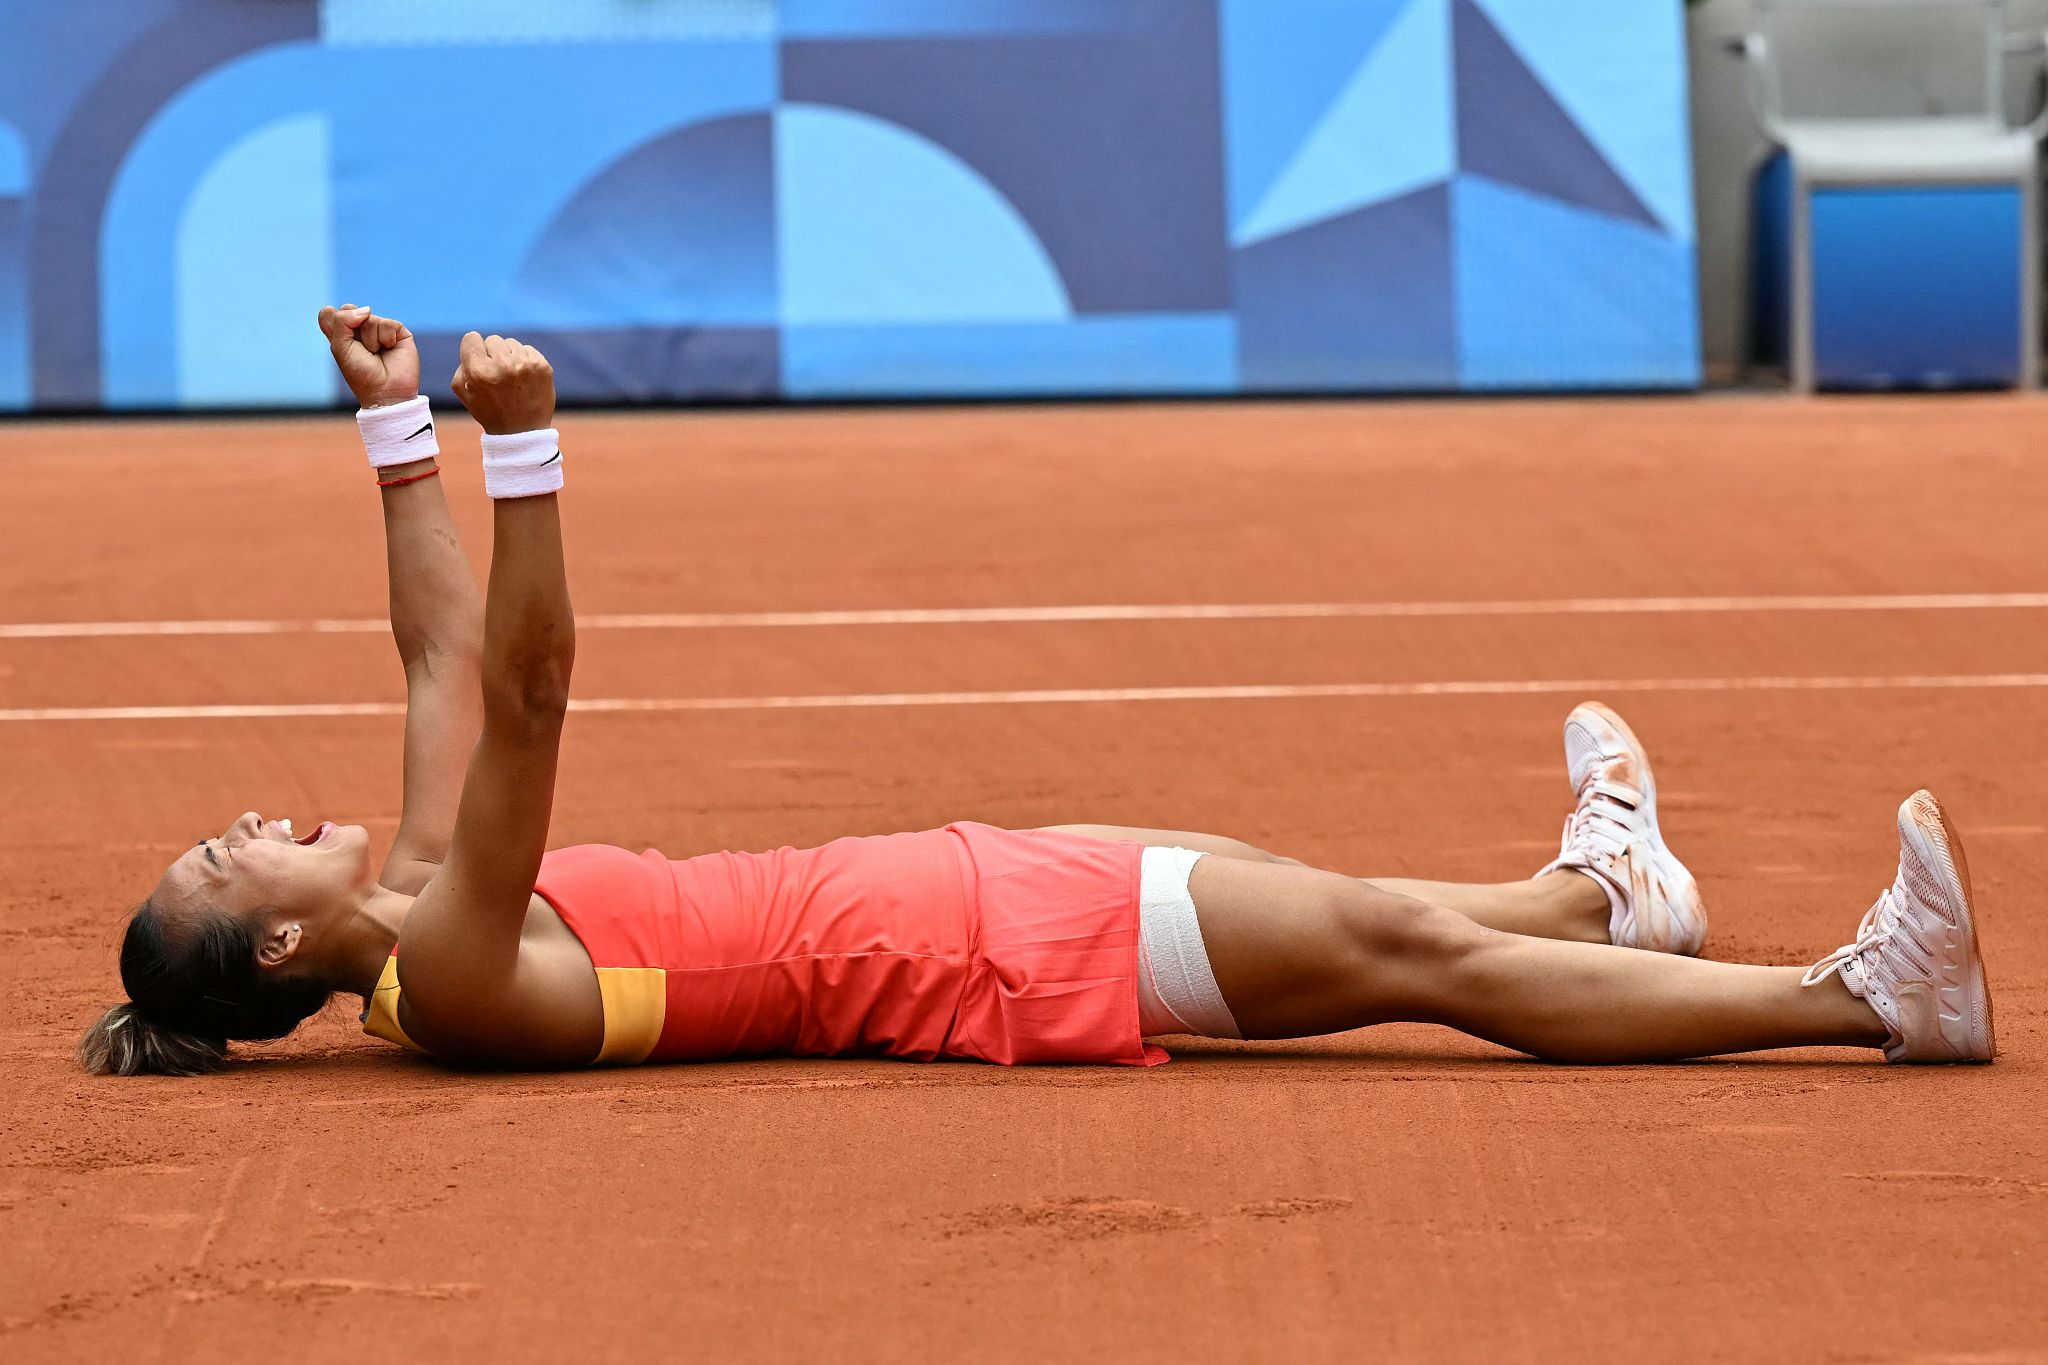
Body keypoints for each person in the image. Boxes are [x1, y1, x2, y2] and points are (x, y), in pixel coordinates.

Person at [77, 307, 1997, 1077]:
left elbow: (433, 654)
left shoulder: (410, 924)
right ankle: (1857, 1001)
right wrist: (532, 455)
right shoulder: (467, 983)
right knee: (1410, 949)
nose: (246, 819)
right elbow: (527, 688)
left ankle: (1606, 894)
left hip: (977, 891)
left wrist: (400, 424)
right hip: (998, 953)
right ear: (269, 962)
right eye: (222, 861)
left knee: (1384, 922)